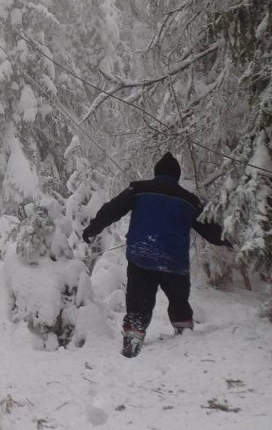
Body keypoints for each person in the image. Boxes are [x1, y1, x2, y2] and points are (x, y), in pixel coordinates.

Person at [82, 152, 232, 358]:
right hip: (175, 262)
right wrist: (229, 241)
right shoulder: (190, 201)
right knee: (179, 301)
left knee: (138, 301)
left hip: (142, 256)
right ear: (177, 176)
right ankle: (184, 333)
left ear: (156, 173)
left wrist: (92, 229)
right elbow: (210, 229)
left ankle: (134, 334)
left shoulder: (139, 189)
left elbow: (112, 210)